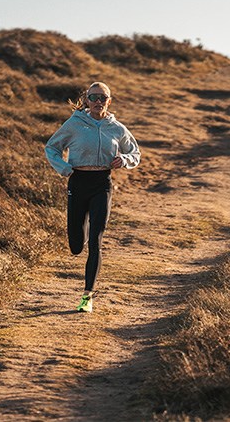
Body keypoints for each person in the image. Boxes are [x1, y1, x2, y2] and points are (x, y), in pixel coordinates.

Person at [45, 82, 141, 312]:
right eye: (93, 97)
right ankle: (82, 235)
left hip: (102, 184)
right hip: (78, 182)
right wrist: (65, 169)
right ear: (86, 100)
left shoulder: (117, 128)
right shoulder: (75, 124)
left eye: (103, 97)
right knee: (76, 245)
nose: (98, 101)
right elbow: (52, 148)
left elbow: (135, 152)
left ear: (109, 101)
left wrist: (124, 161)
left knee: (96, 241)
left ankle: (87, 296)